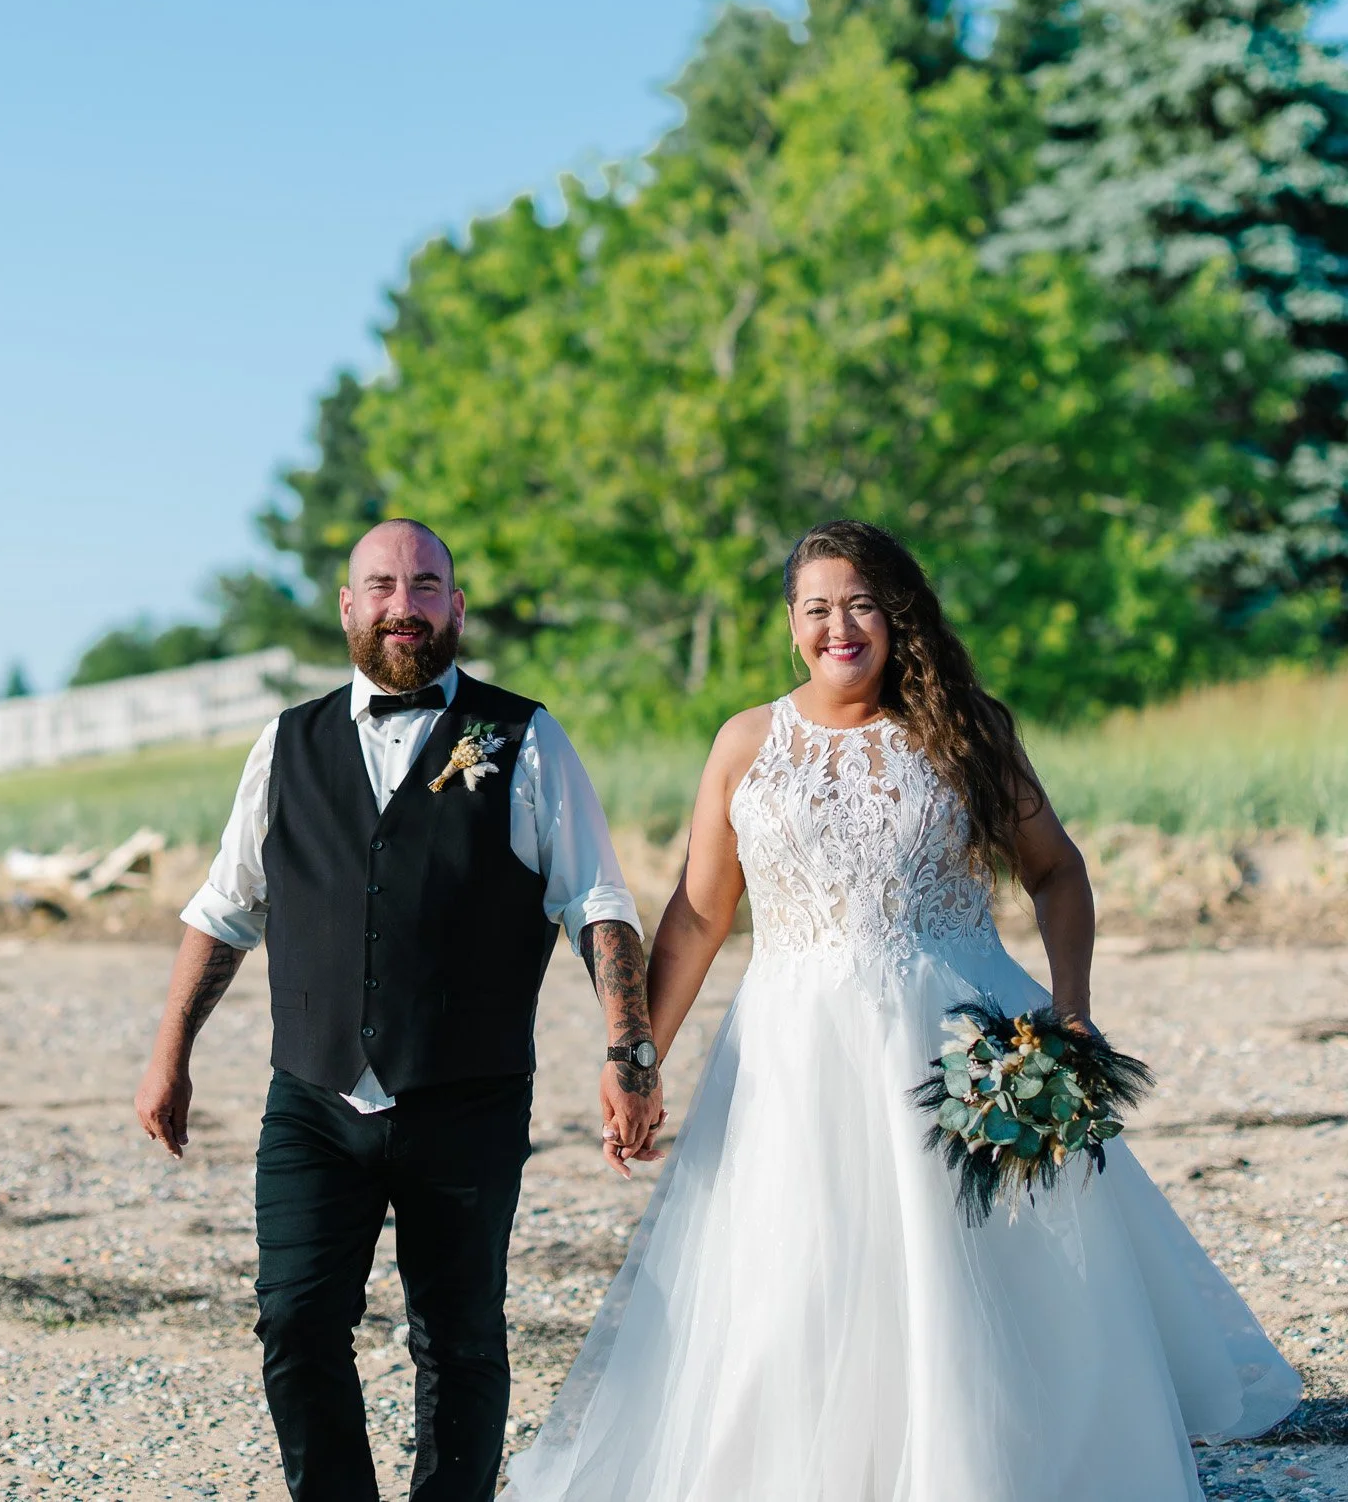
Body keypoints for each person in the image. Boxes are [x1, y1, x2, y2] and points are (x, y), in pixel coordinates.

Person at [501, 519, 1300, 1502]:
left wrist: (1074, 1012)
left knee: (984, 1274)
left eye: (858, 604)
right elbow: (701, 912)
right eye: (814, 609)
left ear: (897, 613)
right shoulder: (745, 742)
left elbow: (1056, 873)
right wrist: (638, 1057)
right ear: (790, 624)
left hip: (961, 1041)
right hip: (792, 1055)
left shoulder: (961, 730)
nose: (837, 628)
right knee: (795, 1271)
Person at [136, 517, 663, 1502]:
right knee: (293, 1318)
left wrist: (627, 1051)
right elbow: (225, 905)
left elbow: (597, 902)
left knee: (460, 1338)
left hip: (465, 1096)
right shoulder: (284, 742)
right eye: (380, 585)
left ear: (454, 607)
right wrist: (170, 1048)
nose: (402, 605)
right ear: (347, 606)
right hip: (313, 1097)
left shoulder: (522, 736)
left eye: (425, 586)